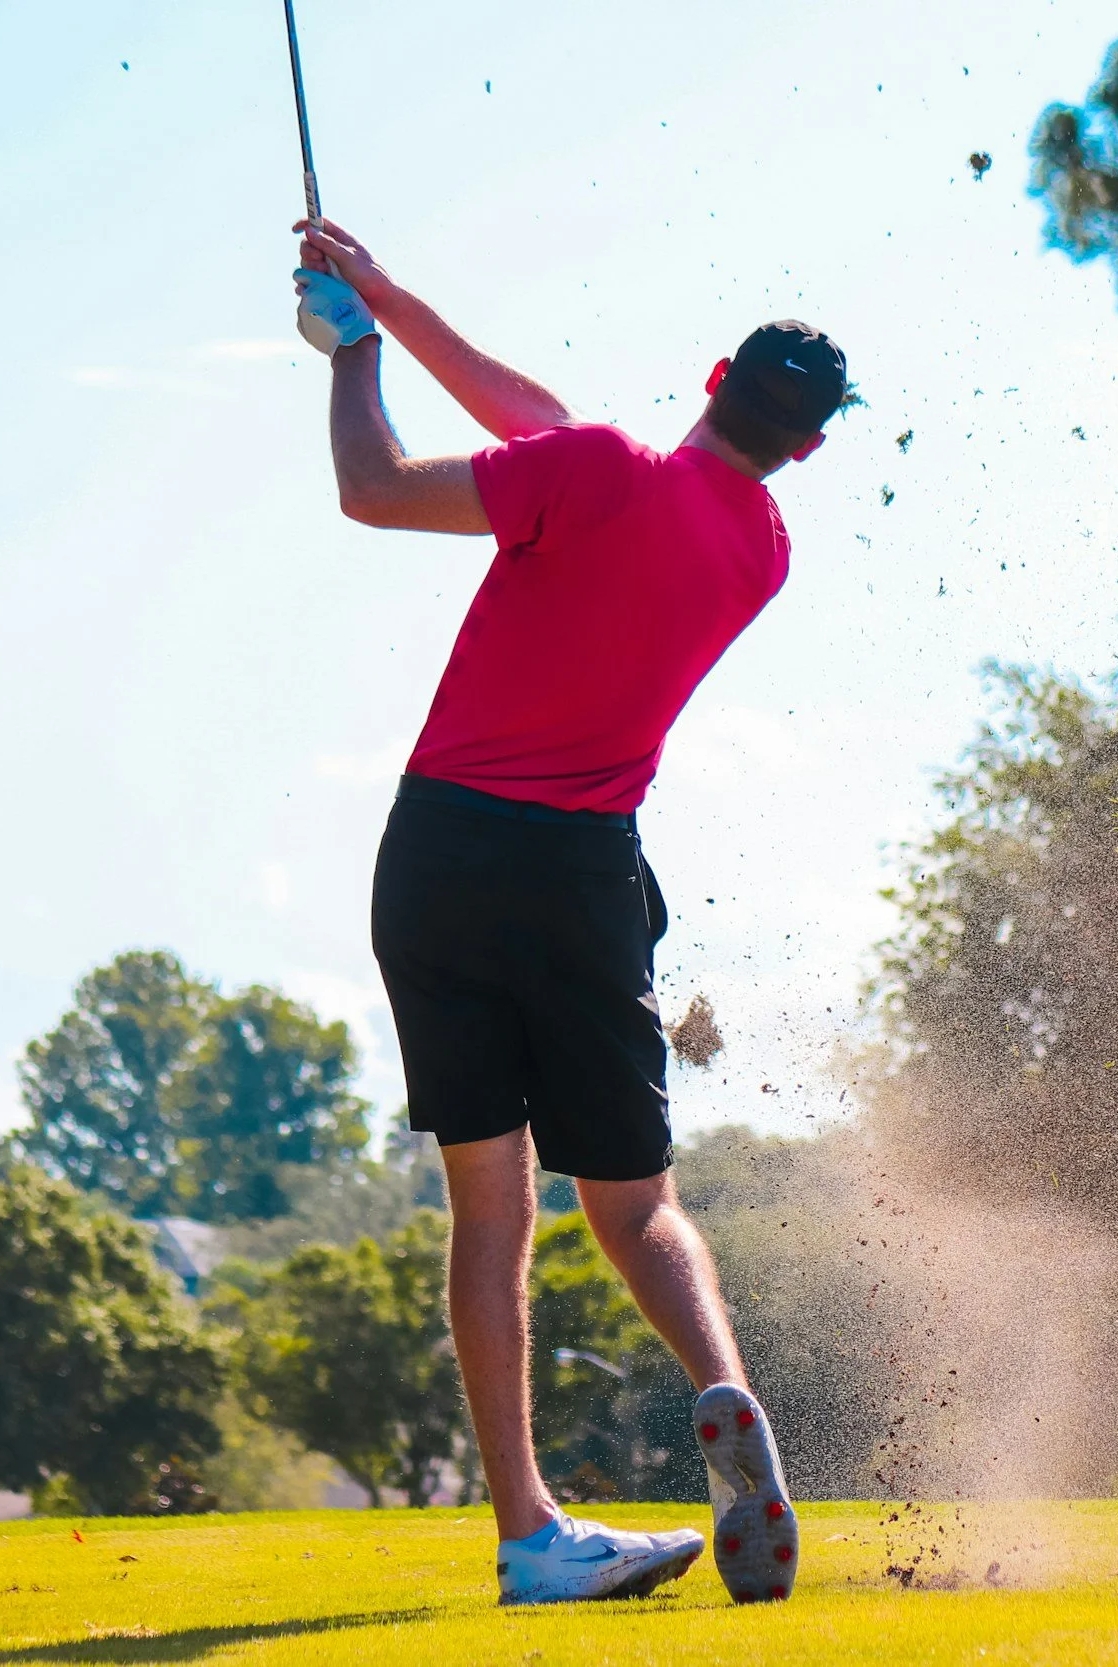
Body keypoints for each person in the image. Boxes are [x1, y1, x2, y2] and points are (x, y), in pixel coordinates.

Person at [291, 221, 845, 1607]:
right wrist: (392, 296)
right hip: (585, 873)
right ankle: (724, 1389)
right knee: (635, 1199)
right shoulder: (758, 548)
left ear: (711, 374)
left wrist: (351, 348)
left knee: (491, 1208)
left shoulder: (592, 472)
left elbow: (372, 488)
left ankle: (531, 1529)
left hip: (441, 857)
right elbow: (548, 429)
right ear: (808, 450)